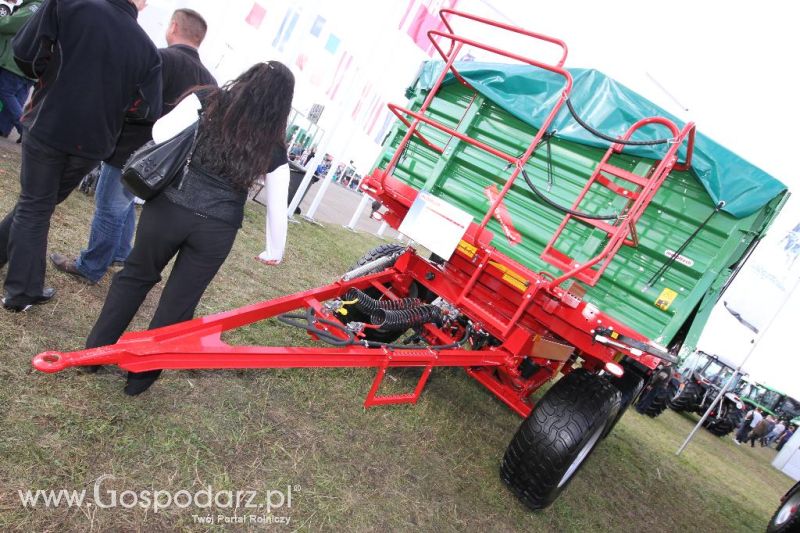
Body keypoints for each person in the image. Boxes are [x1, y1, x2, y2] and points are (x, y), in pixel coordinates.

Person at [85, 61, 294, 396]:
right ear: (282, 103)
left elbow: (159, 133)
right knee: (178, 304)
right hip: (217, 228)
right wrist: (274, 249)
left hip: (169, 207)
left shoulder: (207, 100)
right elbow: (278, 203)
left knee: (135, 277)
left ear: (247, 78)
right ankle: (139, 380)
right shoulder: (274, 145)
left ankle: (92, 355)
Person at [0, 0, 161, 312]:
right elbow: (146, 109)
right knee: (36, 204)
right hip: (92, 141)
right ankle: (22, 289)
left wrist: (52, 79)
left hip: (51, 123)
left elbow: (25, 53)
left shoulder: (68, 5)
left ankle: (22, 291)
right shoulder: (146, 49)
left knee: (35, 205)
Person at [49, 8, 217, 285]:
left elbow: (134, 102)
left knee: (109, 207)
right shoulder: (210, 83)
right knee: (123, 204)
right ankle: (121, 252)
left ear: (173, 26)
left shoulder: (161, 59)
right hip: (171, 161)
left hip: (133, 148)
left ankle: (90, 266)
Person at [0, 0, 42, 140]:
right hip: (31, 63)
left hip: (18, 60)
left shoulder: (35, 7)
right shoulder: (47, 6)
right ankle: (3, 128)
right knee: (18, 95)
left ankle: (25, 130)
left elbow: (12, 24)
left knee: (5, 91)